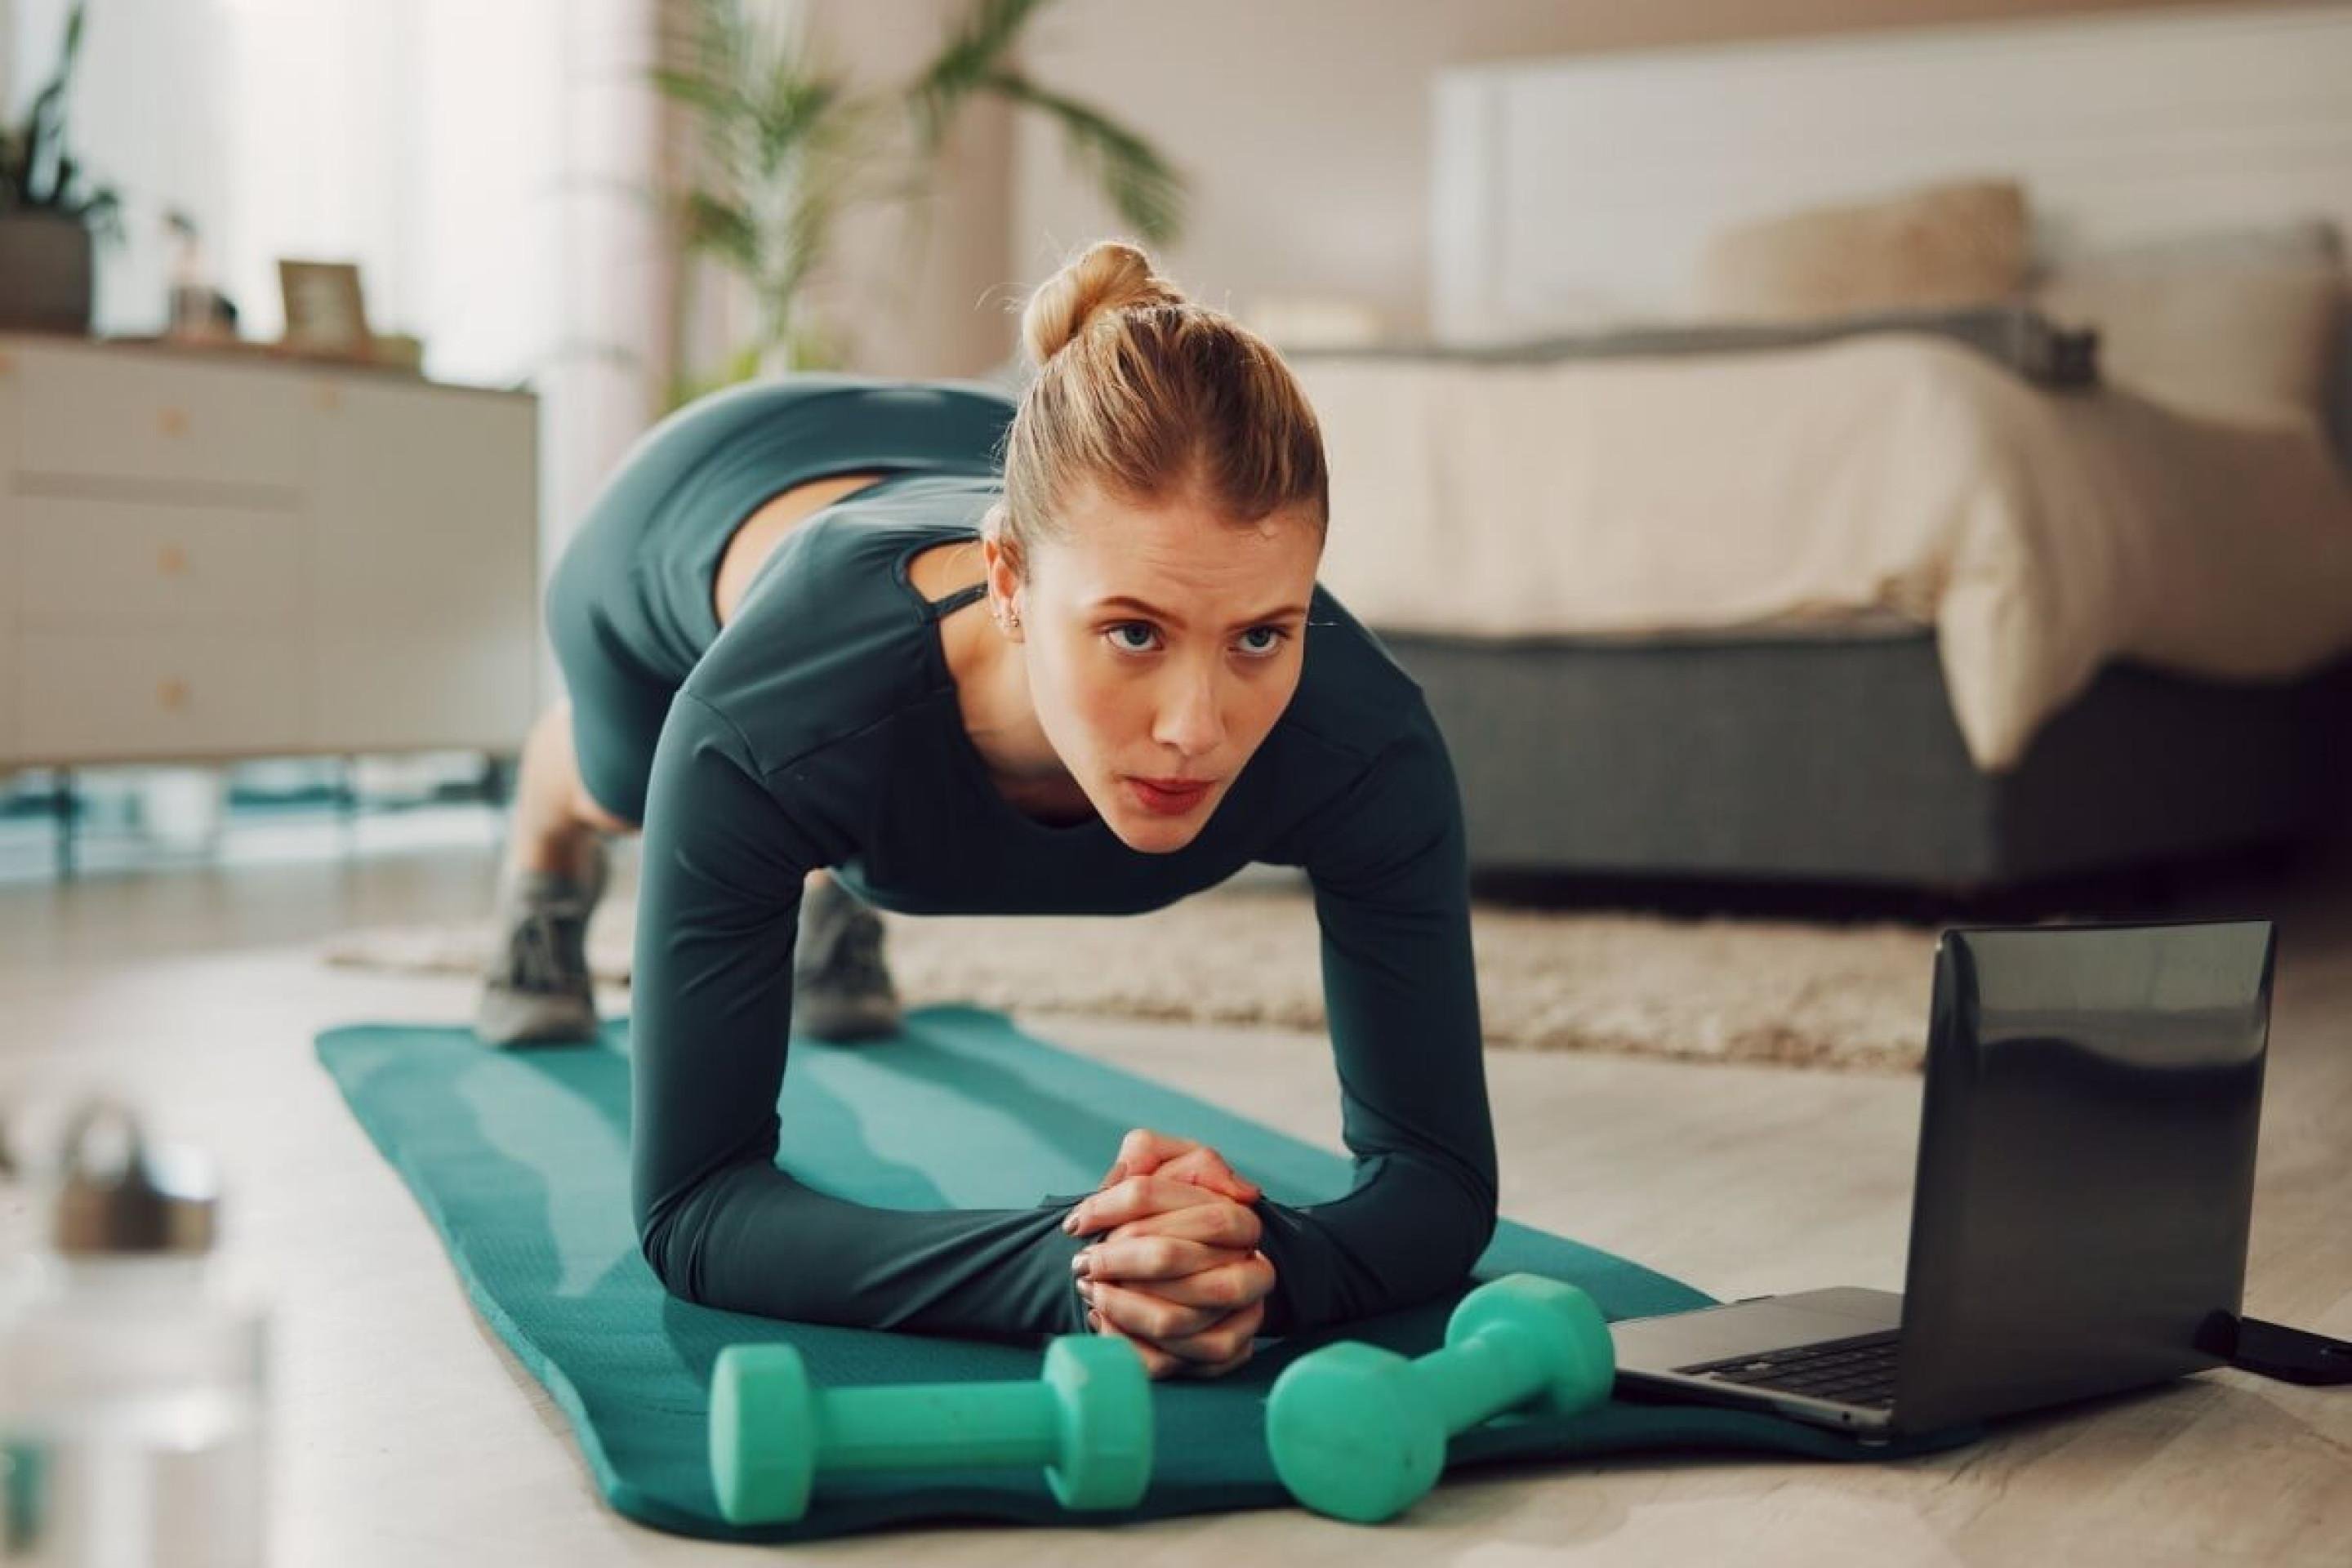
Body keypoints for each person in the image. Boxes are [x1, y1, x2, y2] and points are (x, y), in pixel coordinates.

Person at [475, 239, 1498, 1379]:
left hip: (973, 447)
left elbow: (1441, 1186)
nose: (1196, 728)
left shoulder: (1363, 745)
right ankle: (552, 820)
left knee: (804, 797)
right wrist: (1078, 1272)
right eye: (1134, 634)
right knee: (627, 788)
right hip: (700, 502)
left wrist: (1243, 1268)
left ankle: (810, 869)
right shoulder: (770, 721)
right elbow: (696, 1212)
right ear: (1008, 583)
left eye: (1262, 635)